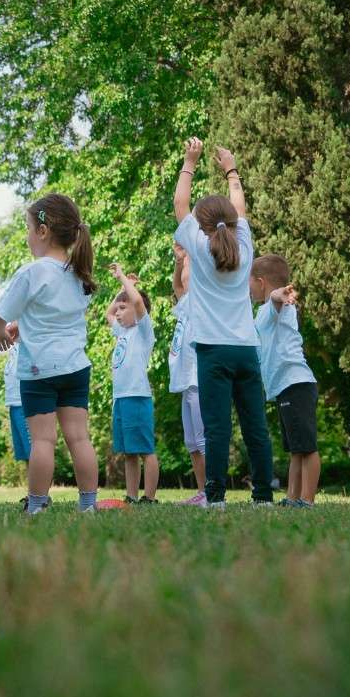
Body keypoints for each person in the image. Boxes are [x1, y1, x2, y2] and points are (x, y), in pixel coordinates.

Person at [173, 138, 275, 509]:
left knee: (217, 429)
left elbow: (179, 204)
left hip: (212, 351)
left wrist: (189, 162)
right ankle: (263, 497)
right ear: (232, 223)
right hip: (246, 350)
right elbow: (240, 207)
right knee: (256, 427)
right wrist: (231, 169)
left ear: (201, 227)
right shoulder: (244, 249)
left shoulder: (199, 250)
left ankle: (215, 498)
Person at [0, 193, 101, 515]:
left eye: (28, 229)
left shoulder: (32, 272)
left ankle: (37, 504)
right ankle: (88, 505)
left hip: (40, 370)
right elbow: (57, 316)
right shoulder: (80, 274)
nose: (27, 236)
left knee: (42, 441)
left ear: (42, 231)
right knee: (79, 439)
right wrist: (23, 324)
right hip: (76, 368)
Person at [251, 254, 320, 507]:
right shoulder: (262, 312)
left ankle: (307, 500)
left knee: (307, 447)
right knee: (295, 448)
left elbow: (275, 297)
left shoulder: (277, 306)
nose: (248, 289)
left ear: (261, 282)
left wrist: (280, 294)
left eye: (249, 283)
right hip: (284, 387)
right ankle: (292, 498)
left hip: (296, 383)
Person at [108, 263, 160, 504]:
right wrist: (122, 290)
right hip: (120, 398)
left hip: (137, 397)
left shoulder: (142, 331)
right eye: (118, 308)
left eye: (123, 308)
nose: (117, 313)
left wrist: (125, 281)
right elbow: (108, 314)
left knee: (145, 450)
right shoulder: (122, 332)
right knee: (129, 451)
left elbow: (138, 302)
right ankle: (131, 496)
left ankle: (149, 497)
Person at [169, 244, 207, 505]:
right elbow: (176, 285)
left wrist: (190, 254)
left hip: (197, 378)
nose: (183, 276)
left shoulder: (202, 302)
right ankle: (202, 492)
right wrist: (179, 260)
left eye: (186, 271)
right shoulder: (185, 304)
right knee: (191, 442)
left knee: (203, 440)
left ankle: (213, 493)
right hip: (185, 382)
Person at [2, 324, 29, 466]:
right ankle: (32, 482)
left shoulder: (28, 344)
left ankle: (42, 483)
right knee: (25, 455)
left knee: (34, 452)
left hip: (24, 404)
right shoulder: (15, 348)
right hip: (14, 405)